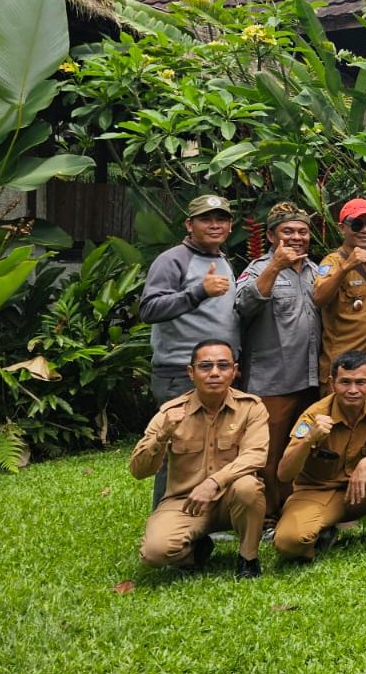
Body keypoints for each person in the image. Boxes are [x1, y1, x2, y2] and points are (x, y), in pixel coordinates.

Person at [129, 339, 266, 578]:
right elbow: (138, 470)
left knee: (249, 487)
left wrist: (214, 482)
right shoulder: (170, 412)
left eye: (223, 366)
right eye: (205, 366)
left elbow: (255, 455)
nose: (215, 373)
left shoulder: (251, 408)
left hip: (230, 497)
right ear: (191, 373)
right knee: (154, 553)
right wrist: (163, 435)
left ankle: (248, 559)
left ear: (234, 371)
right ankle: (196, 550)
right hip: (185, 502)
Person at [139, 193, 241, 506]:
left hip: (217, 372)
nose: (214, 225)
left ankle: (205, 516)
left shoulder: (221, 259)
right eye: (205, 219)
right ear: (189, 224)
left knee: (213, 446)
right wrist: (197, 292)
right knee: (179, 445)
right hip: (180, 371)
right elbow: (149, 308)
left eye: (221, 219)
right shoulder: (173, 260)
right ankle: (165, 517)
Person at [273, 350, 366, 560]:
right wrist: (308, 440)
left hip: (363, 488)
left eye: (360, 382)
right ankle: (325, 529)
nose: (353, 390)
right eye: (345, 382)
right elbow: (284, 474)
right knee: (289, 544)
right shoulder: (315, 415)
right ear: (332, 382)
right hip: (319, 493)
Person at [233, 201, 321, 527]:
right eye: (288, 231)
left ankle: (299, 508)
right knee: (270, 453)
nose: (297, 237)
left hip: (311, 378)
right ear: (271, 236)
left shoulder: (316, 271)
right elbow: (242, 305)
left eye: (303, 231)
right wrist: (275, 267)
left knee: (303, 448)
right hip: (272, 379)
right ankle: (269, 516)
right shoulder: (258, 269)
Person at [314, 198, 366, 393]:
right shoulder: (332, 262)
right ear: (342, 228)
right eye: (357, 224)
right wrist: (345, 268)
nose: (365, 230)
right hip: (345, 371)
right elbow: (318, 298)